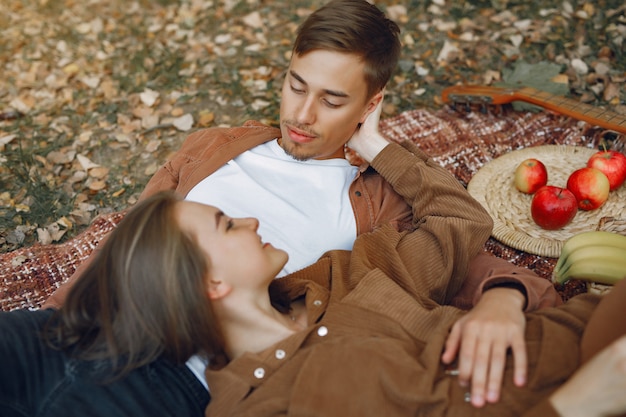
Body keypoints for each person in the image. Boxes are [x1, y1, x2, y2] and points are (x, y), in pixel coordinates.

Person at [37, 0, 560, 407]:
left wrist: (505, 298)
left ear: (370, 105)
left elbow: (460, 254)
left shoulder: (379, 200)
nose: (302, 114)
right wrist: (54, 320)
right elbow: (129, 239)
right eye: (295, 85)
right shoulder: (213, 148)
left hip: (175, 379)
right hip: (76, 329)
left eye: (332, 101)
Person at [0, 192, 212, 416]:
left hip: (166, 380)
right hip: (74, 328)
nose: (252, 223)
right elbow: (138, 224)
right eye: (228, 225)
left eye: (228, 225)